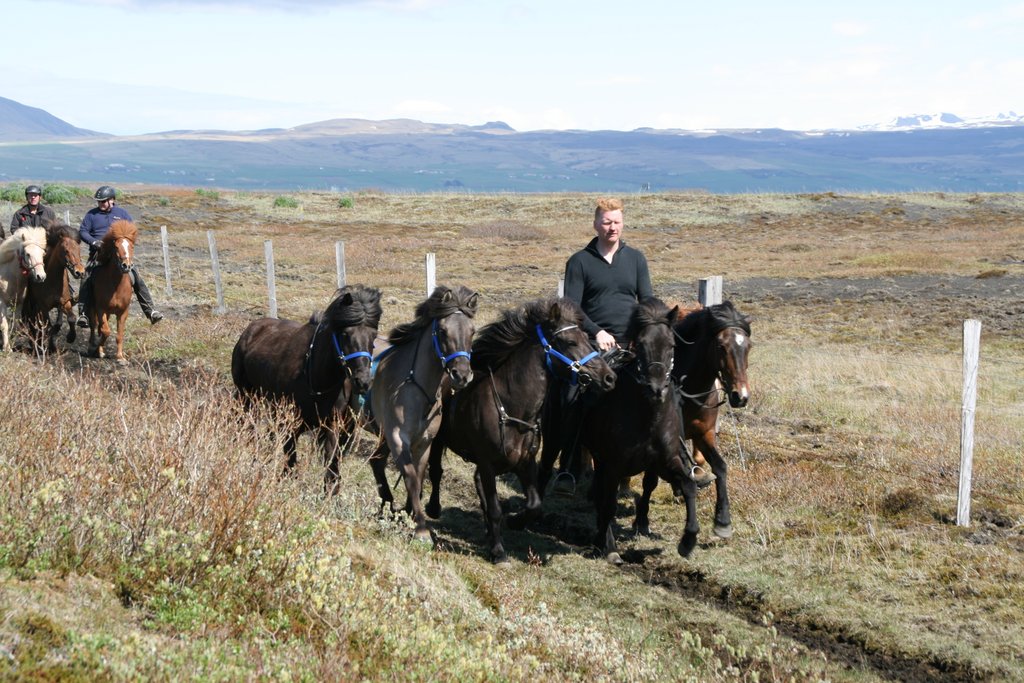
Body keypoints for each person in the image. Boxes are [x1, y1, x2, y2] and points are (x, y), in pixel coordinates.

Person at [77, 185, 163, 326]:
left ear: (112, 200)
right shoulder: (91, 215)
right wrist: (94, 242)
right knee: (86, 278)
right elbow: (83, 231)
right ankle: (84, 314)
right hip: (98, 254)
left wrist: (125, 244)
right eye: (99, 201)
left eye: (103, 201)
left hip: (120, 254)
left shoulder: (122, 213)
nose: (100, 204)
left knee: (136, 277)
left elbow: (131, 230)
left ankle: (150, 311)